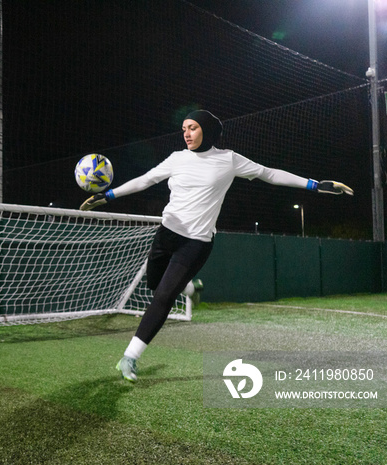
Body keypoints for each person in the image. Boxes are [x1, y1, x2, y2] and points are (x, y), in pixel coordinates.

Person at [80, 110, 353, 382]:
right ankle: (189, 287)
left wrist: (316, 185)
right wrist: (108, 195)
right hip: (167, 234)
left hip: (196, 243)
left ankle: (130, 357)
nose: (186, 133)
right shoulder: (177, 159)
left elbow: (269, 174)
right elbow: (146, 179)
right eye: (184, 128)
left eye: (193, 128)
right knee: (155, 284)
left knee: (163, 297)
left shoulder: (229, 160)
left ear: (207, 131)